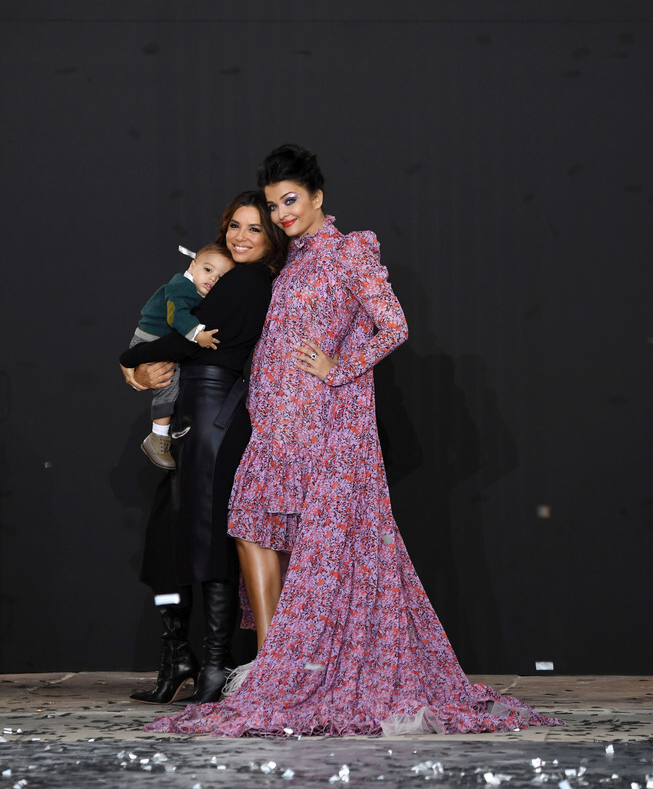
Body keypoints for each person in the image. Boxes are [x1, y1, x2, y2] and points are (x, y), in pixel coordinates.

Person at [146, 146, 562, 736]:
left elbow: (394, 325)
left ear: (318, 197)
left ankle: (298, 673)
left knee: (323, 551)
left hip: (327, 426)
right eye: (274, 205)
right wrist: (143, 362)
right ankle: (275, 666)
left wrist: (337, 367)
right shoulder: (285, 260)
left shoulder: (350, 250)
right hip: (272, 423)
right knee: (254, 527)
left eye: (291, 200)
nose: (282, 213)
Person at [121, 190, 287, 704]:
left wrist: (131, 357)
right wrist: (140, 369)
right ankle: (178, 655)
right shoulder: (226, 275)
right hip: (194, 413)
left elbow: (188, 340)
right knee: (168, 539)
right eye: (234, 225)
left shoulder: (250, 280)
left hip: (217, 413)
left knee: (207, 538)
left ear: (272, 236)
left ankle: (215, 664)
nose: (240, 236)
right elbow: (180, 333)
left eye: (254, 228)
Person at [123, 244, 234, 469]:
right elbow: (177, 316)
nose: (213, 279)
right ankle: (157, 437)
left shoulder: (197, 290)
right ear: (192, 266)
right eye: (208, 270)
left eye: (221, 277)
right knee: (169, 384)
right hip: (150, 340)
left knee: (174, 382)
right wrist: (198, 335)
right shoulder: (181, 287)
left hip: (158, 341)